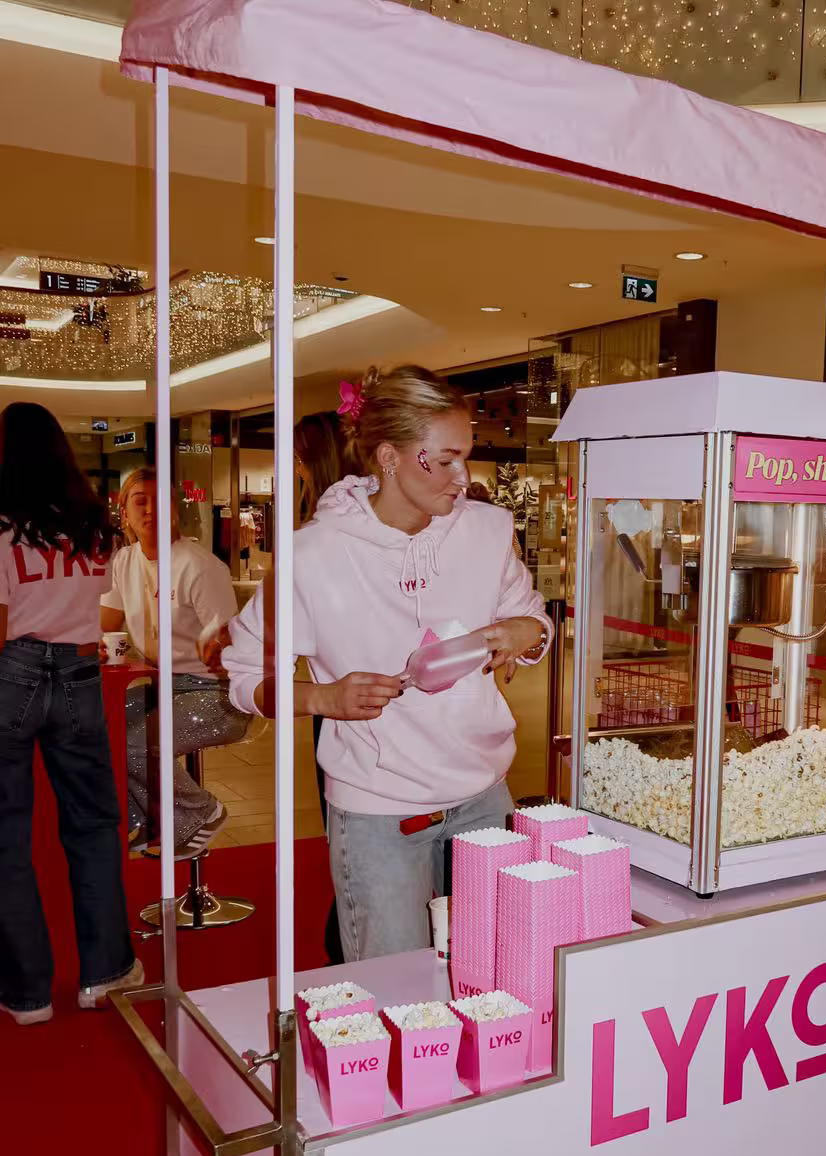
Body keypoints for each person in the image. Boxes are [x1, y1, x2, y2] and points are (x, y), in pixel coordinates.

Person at [224, 366, 551, 960]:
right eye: (445, 460)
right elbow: (245, 674)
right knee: (393, 985)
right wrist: (323, 698)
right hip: (378, 811)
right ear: (388, 457)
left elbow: (530, 616)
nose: (463, 477)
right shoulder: (312, 556)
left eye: (466, 456)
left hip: (485, 796)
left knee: (499, 972)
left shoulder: (486, 530)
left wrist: (527, 632)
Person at [0, 402, 142, 1023]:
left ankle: (26, 993)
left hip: (13, 672)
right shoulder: (91, 527)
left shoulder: (3, 527)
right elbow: (93, 604)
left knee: (7, 834)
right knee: (92, 824)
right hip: (80, 671)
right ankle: (105, 972)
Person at [101, 469, 248, 857]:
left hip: (218, 693)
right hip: (164, 687)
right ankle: (145, 821)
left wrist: (219, 647)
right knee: (100, 729)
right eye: (140, 501)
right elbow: (103, 625)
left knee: (136, 743)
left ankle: (201, 813)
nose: (151, 510)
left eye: (160, 500)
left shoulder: (199, 566)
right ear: (124, 512)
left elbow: (231, 647)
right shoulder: (123, 561)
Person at [293, 411, 348, 965]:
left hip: (336, 700)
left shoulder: (317, 539)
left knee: (343, 819)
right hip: (337, 696)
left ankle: (344, 936)